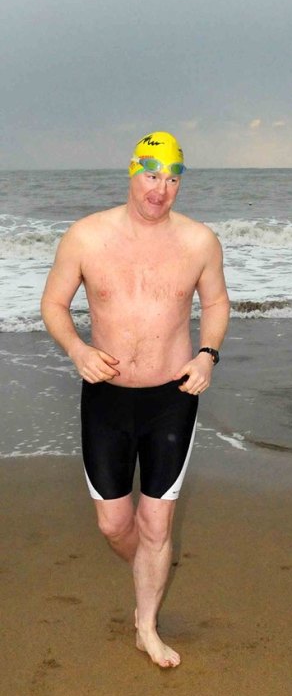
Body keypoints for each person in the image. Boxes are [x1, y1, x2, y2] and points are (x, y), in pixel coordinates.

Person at [41, 131, 230, 666]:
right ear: (132, 172)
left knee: (157, 524)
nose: (161, 189)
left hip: (174, 395)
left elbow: (216, 303)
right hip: (106, 397)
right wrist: (77, 350)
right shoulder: (86, 236)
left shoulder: (198, 242)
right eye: (152, 176)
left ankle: (146, 624)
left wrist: (207, 355)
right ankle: (147, 566)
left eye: (172, 179)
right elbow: (54, 303)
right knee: (114, 525)